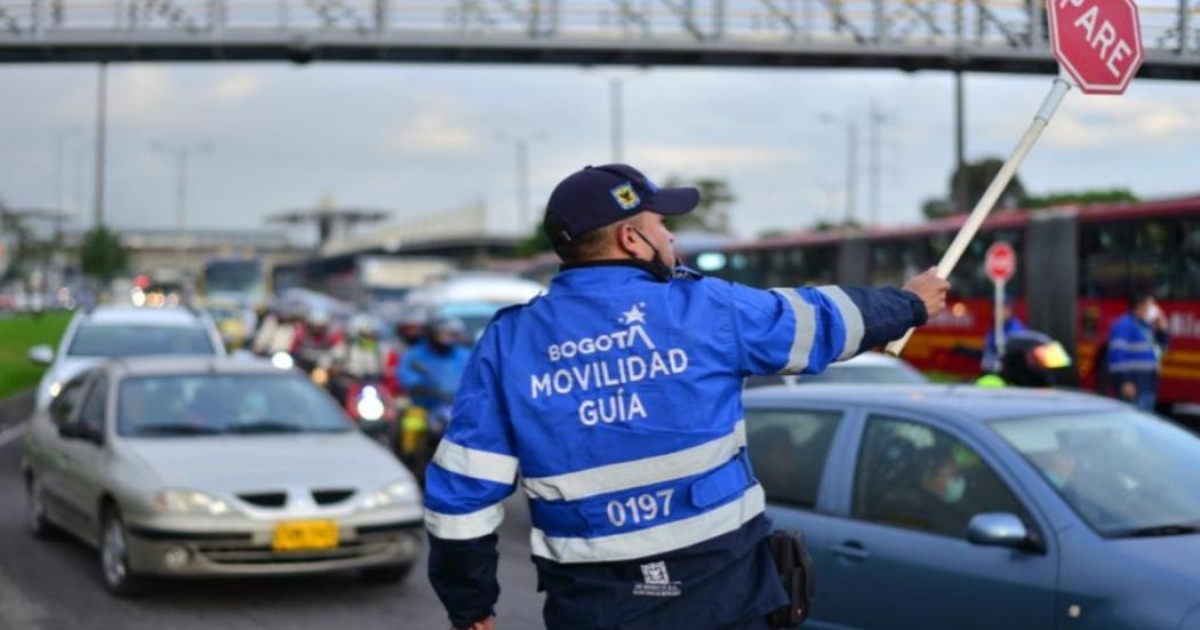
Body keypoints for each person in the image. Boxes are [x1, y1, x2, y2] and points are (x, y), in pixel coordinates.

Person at [423, 163, 948, 630]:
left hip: (594, 606)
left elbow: (461, 498)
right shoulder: (705, 309)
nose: (670, 239)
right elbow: (820, 321)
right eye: (662, 226)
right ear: (632, 239)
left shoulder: (509, 342)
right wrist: (909, 303)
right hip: (725, 594)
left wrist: (470, 607)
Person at [877, 444, 974, 536]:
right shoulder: (909, 509)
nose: (957, 482)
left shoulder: (958, 506)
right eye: (953, 476)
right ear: (930, 477)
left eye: (958, 475)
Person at [1105, 294, 1169, 412]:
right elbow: (1117, 358)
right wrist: (1124, 382)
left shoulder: (1148, 328)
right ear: (1140, 307)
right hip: (1133, 387)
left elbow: (1160, 353)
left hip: (1148, 385)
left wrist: (1162, 332)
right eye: (1150, 306)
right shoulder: (1123, 326)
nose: (1155, 309)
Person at [981, 296, 1026, 374]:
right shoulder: (995, 328)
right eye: (995, 308)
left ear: (1010, 310)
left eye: (1002, 309)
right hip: (991, 371)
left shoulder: (1017, 330)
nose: (997, 312)